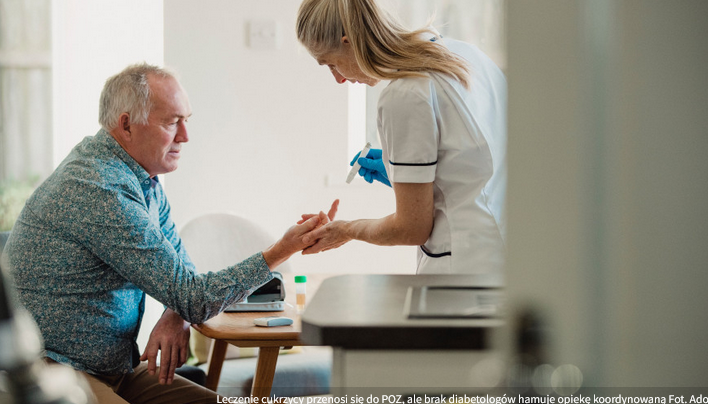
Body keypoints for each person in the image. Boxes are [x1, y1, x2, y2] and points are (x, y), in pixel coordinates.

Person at [4, 63, 324, 404]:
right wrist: (281, 250)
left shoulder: (143, 179)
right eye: (172, 122)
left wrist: (175, 313)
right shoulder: (99, 187)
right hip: (58, 370)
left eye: (186, 120)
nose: (185, 135)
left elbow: (183, 281)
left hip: (117, 369)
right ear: (126, 124)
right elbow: (194, 296)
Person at [295, 0, 507, 275]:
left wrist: (345, 230)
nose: (338, 79)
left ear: (349, 42)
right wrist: (402, 175)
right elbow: (473, 165)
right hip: (505, 254)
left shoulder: (404, 94)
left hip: (463, 273)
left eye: (331, 64)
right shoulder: (465, 54)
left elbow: (411, 230)